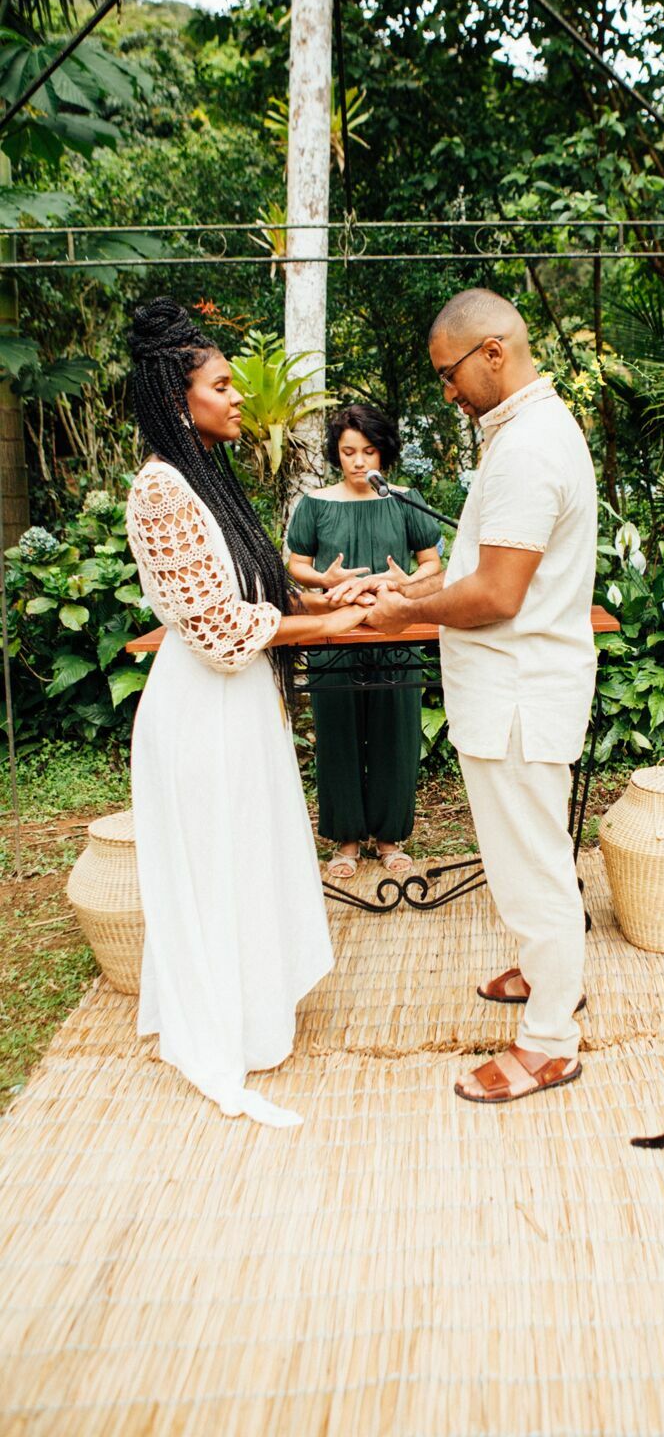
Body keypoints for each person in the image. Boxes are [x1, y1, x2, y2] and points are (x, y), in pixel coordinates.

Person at [125, 297, 369, 1128]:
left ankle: (258, 1016)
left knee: (247, 858)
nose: (236, 397)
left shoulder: (202, 477)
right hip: (201, 711)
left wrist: (329, 588)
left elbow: (248, 584)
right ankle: (225, 1025)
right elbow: (222, 632)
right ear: (176, 394)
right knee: (217, 863)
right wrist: (324, 627)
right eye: (221, 384)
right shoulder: (160, 491)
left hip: (236, 707)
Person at [366, 289, 598, 1104]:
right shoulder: (527, 431)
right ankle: (548, 976)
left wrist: (407, 609)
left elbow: (498, 595)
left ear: (493, 351)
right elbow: (490, 567)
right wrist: (431, 582)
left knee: (532, 869)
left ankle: (549, 1041)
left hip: (517, 695)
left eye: (449, 374)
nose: (447, 393)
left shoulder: (530, 446)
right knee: (524, 860)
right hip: (514, 689)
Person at [286, 405, 442, 878]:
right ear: (337, 454)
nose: (358, 462)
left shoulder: (405, 499)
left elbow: (433, 566)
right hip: (332, 632)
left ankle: (390, 837)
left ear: (384, 452)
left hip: (397, 630)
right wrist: (323, 577)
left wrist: (402, 582)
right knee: (337, 733)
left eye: (368, 451)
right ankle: (347, 841)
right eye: (348, 452)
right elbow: (295, 563)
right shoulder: (315, 503)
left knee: (396, 730)